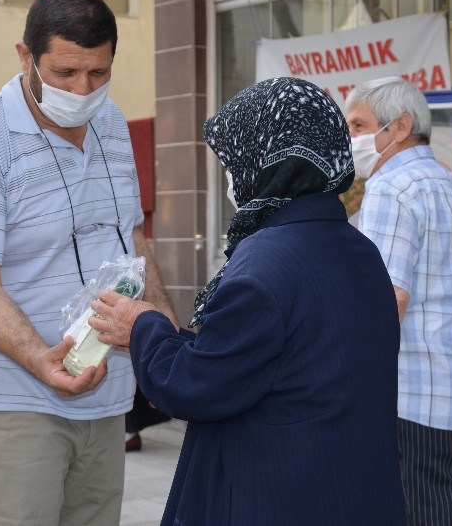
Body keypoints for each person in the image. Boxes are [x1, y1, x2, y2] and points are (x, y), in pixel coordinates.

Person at [89, 76, 408, 526]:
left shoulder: (266, 261)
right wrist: (163, 340)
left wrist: (143, 325)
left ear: (264, 158)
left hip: (281, 495)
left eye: (232, 160)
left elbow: (196, 386)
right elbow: (261, 357)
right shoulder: (358, 249)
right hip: (353, 491)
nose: (231, 175)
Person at [0, 0, 175, 525]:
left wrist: (165, 331)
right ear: (25, 57)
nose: (82, 90)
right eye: (64, 73)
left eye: (98, 73)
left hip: (108, 391)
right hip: (14, 399)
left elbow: (131, 237)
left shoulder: (110, 123)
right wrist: (40, 359)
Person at [345, 76, 452, 526]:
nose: (351, 138)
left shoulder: (390, 189)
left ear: (401, 127)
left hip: (417, 402)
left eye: (359, 126)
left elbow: (387, 300)